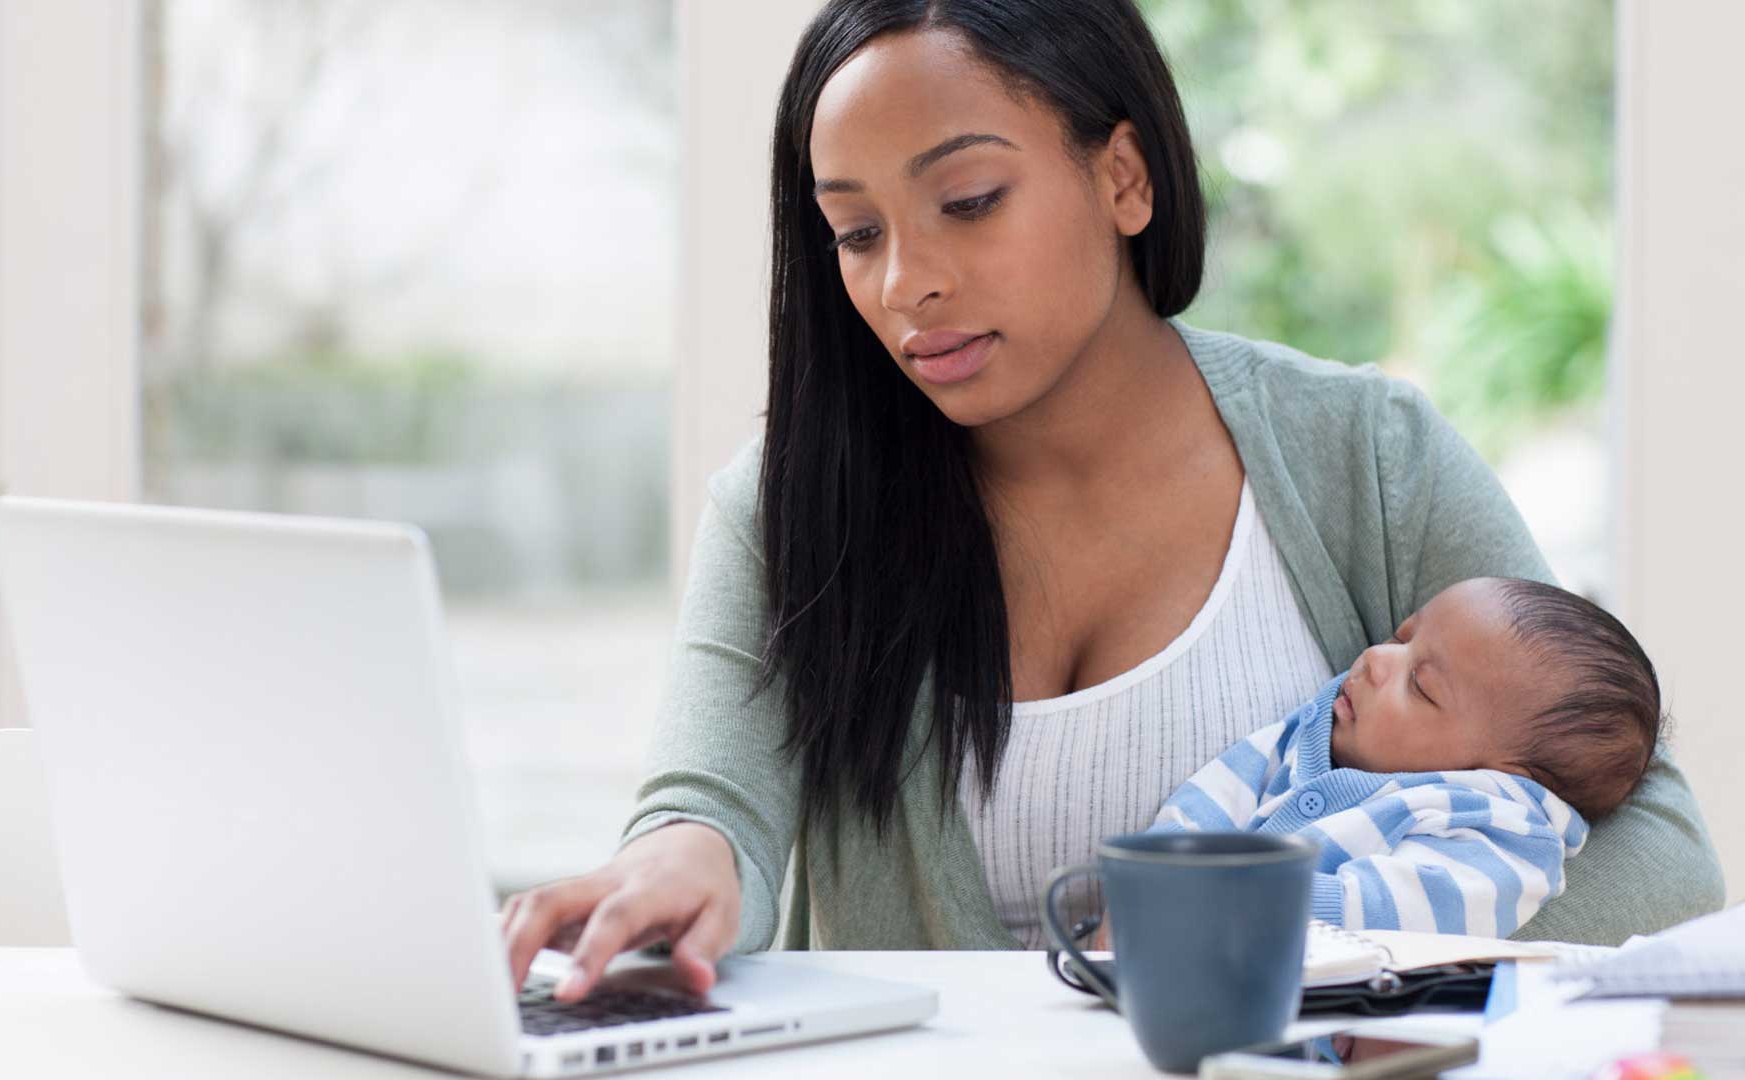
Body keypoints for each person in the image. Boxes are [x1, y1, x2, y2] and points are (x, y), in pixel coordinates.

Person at [502, 0, 1725, 1001]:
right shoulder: (787, 505)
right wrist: (676, 867)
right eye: (856, 231)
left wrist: (1281, 952)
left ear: (1124, 177)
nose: (906, 282)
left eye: (968, 201)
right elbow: (709, 809)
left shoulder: (1367, 457)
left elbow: (1662, 859)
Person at [1140, 577, 1659, 938]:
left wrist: (1223, 898)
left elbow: (1383, 911)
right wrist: (1157, 870)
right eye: (1401, 637)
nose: (1376, 659)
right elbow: (1222, 789)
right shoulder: (1320, 727)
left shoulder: (1499, 837)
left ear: (1496, 775)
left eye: (1420, 686)